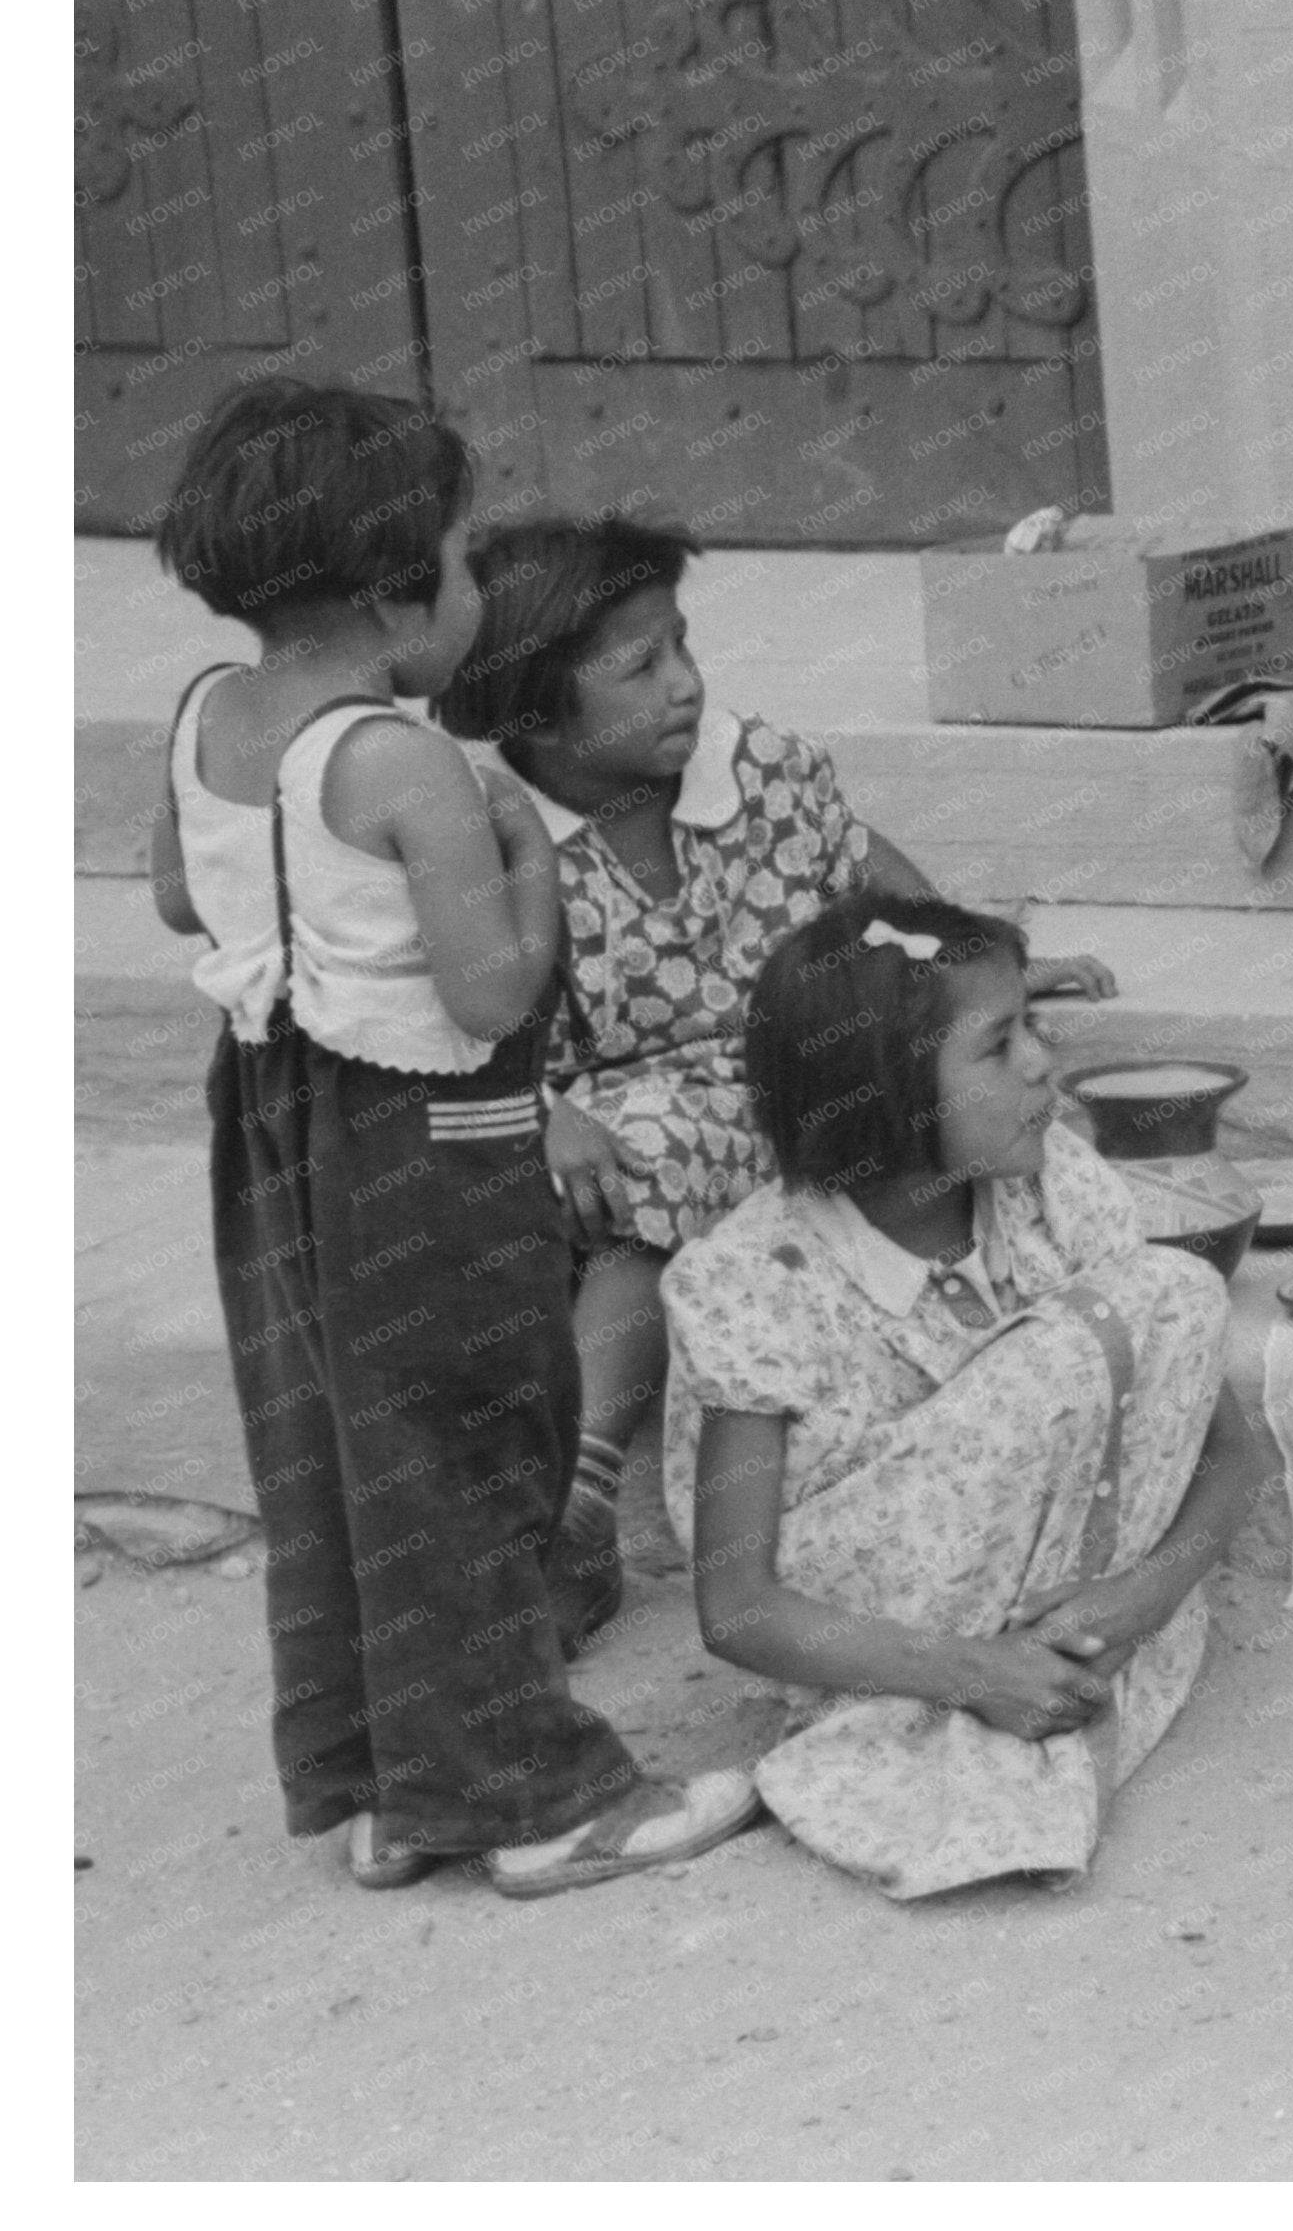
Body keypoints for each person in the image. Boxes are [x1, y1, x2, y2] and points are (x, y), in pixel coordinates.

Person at [143, 377, 759, 1899]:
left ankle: (387, 1783)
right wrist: (523, 865)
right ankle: (530, 1798)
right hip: (430, 1130)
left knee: (337, 1441)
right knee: (476, 1437)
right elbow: (489, 998)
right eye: (467, 560)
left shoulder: (209, 719)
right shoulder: (407, 762)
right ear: (387, 589)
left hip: (274, 1117)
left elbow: (177, 898)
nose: (479, 589)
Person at [433, 518, 1114, 1616]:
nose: (686, 686)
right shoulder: (493, 828)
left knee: (956, 1095)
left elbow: (862, 877)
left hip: (787, 1069)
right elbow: (455, 1003)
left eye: (684, 648)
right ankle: (583, 1487)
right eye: (642, 667)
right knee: (643, 1165)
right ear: (537, 710)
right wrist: (540, 1105)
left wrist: (973, 967)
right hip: (610, 1128)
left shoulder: (759, 772)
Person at [662, 895, 1272, 1899]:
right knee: (1139, 1309)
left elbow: (1232, 1456)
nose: (1041, 1062)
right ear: (885, 1100)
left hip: (1073, 1586)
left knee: (1170, 1297)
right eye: (997, 1046)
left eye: (1033, 1025)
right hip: (872, 1616)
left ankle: (1053, 1652)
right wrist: (972, 1676)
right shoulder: (756, 1278)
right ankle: (986, 1680)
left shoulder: (1052, 1188)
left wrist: (1146, 1595)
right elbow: (737, 1609)